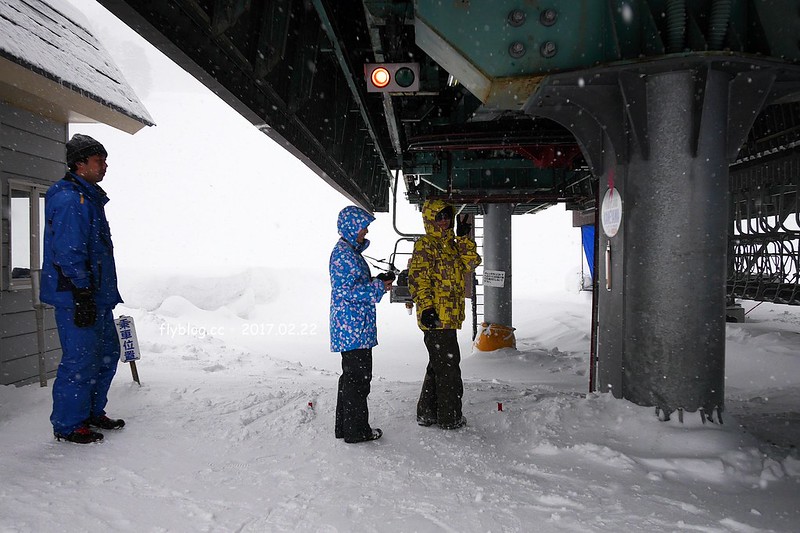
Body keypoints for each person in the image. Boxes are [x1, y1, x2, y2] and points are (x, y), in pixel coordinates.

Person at [40, 134, 125, 444]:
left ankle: (90, 412)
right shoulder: (69, 200)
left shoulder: (87, 198)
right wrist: (82, 292)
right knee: (80, 360)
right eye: (98, 160)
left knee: (107, 354)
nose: (105, 166)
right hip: (76, 295)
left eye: (104, 160)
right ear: (79, 164)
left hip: (96, 295)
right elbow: (68, 251)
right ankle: (69, 424)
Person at [408, 199, 481, 430]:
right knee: (449, 368)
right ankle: (450, 417)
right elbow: (418, 279)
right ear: (429, 219)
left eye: (446, 216)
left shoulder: (451, 244)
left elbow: (471, 263)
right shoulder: (425, 245)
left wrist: (464, 238)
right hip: (436, 318)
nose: (444, 221)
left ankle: (427, 412)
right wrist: (427, 308)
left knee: (439, 364)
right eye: (438, 217)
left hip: (450, 316)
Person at [329, 206, 393, 443]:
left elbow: (354, 284)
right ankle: (357, 431)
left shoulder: (348, 253)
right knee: (358, 380)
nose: (365, 231)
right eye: (362, 227)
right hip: (352, 328)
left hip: (354, 326)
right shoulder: (343, 255)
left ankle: (345, 427)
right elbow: (346, 291)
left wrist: (377, 281)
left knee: (351, 378)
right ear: (351, 227)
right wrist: (378, 286)